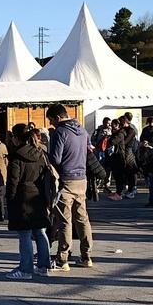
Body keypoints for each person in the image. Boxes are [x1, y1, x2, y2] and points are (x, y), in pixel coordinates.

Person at [46, 104, 92, 270]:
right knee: (82, 218)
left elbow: (56, 159)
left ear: (58, 118)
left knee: (64, 220)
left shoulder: (60, 132)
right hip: (82, 179)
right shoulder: (83, 131)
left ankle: (62, 258)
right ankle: (86, 256)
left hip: (66, 180)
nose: (51, 124)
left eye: (51, 120)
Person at [3, 125, 53, 279]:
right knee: (40, 232)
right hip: (39, 197)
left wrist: (9, 200)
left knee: (25, 234)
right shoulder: (41, 153)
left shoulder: (17, 156)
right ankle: (44, 266)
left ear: (16, 138)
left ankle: (25, 269)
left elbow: (13, 182)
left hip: (22, 198)